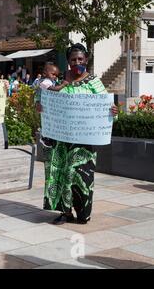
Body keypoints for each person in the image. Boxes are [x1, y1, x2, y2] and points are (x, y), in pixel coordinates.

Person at [39, 43, 118, 225]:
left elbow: (106, 107)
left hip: (84, 141)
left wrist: (113, 111)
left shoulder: (94, 83)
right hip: (60, 138)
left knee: (81, 176)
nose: (77, 63)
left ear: (86, 60)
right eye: (73, 60)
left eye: (80, 59)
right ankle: (65, 212)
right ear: (68, 61)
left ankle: (82, 213)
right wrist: (40, 104)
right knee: (61, 174)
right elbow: (43, 96)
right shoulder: (58, 80)